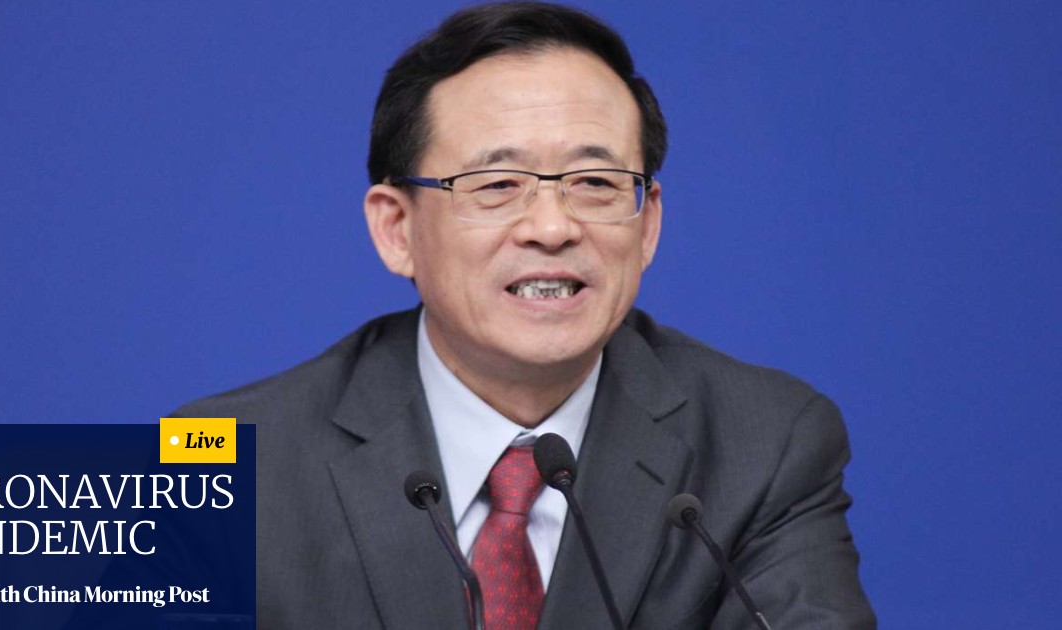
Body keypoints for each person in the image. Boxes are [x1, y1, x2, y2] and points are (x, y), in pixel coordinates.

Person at [177, 2, 876, 628]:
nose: (552, 227)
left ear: (648, 225)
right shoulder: (216, 457)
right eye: (497, 184)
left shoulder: (769, 443)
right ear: (396, 229)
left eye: (596, 183)